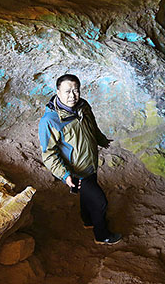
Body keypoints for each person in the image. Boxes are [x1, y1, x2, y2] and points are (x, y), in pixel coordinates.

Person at [38, 73, 122, 245]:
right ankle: (102, 235)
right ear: (58, 92)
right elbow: (48, 154)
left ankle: (88, 221)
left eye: (76, 90)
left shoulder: (83, 106)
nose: (72, 96)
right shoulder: (50, 120)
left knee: (87, 197)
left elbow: (92, 127)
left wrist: (101, 140)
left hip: (89, 162)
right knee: (100, 202)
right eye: (67, 91)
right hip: (76, 171)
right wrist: (65, 175)